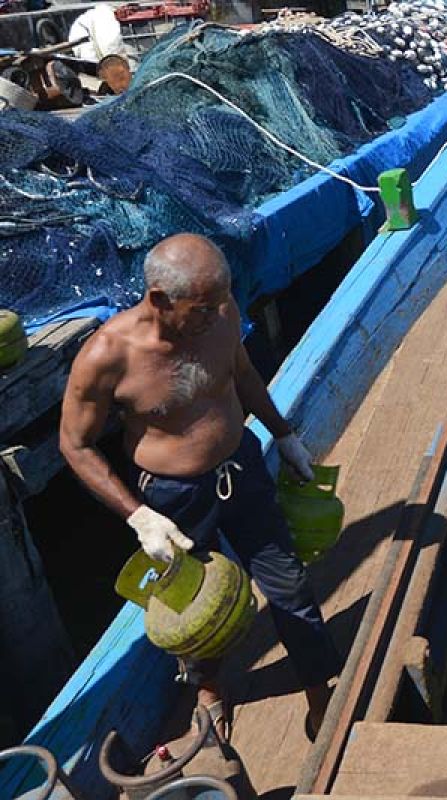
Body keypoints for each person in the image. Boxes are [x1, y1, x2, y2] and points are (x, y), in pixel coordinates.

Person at [60, 233, 341, 743]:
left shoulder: (222, 312)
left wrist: (284, 434)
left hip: (243, 471)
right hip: (173, 500)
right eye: (202, 310)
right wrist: (139, 516)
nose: (217, 317)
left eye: (220, 303)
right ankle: (208, 689)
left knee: (289, 583)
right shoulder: (106, 356)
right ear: (160, 300)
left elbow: (244, 373)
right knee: (195, 607)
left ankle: (321, 694)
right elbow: (75, 446)